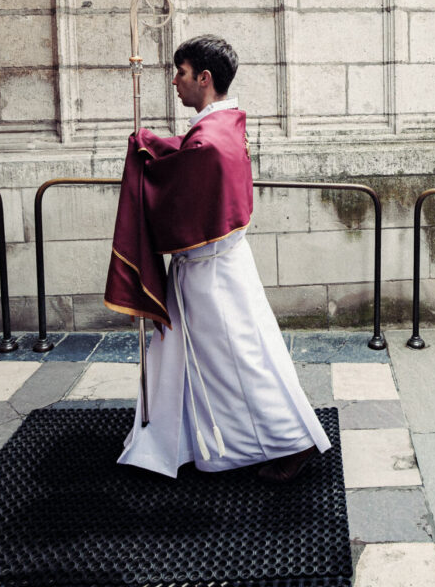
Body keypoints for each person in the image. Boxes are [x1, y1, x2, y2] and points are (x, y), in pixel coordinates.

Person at [103, 34, 330, 483]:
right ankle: (194, 439)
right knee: (204, 360)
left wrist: (144, 163)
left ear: (204, 78)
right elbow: (187, 157)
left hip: (211, 273)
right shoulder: (223, 124)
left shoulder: (209, 140)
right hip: (219, 266)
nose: (175, 81)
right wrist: (152, 146)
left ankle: (293, 440)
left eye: (181, 73)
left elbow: (179, 187)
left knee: (240, 361)